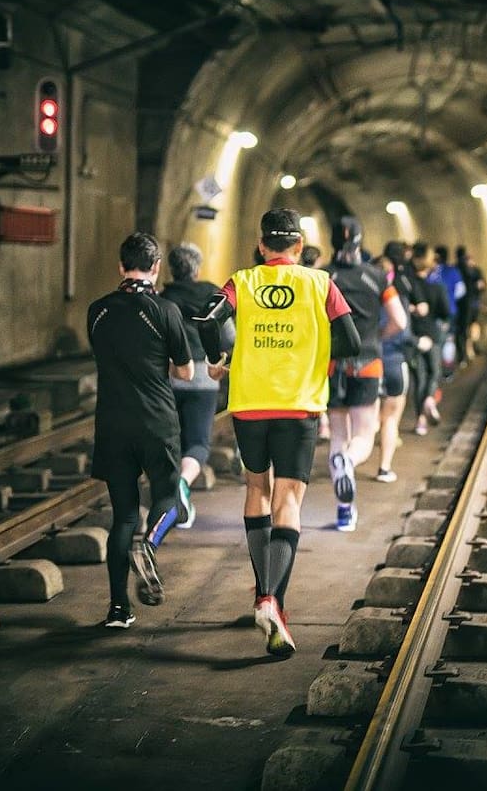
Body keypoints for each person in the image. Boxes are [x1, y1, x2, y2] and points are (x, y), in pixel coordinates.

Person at [195, 208, 361, 657]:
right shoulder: (320, 283)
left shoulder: (242, 281)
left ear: (263, 246)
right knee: (290, 499)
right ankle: (272, 599)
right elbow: (352, 343)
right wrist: (314, 352)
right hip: (299, 404)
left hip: (249, 404)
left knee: (257, 490)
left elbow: (207, 320)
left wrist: (219, 360)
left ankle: (266, 598)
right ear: (300, 247)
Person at [87, 232, 193, 630]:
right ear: (156, 268)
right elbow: (185, 371)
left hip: (112, 424)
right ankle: (149, 546)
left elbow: (108, 358)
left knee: (123, 516)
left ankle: (117, 610)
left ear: (120, 266)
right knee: (171, 501)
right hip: (156, 422)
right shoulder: (165, 310)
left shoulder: (97, 311)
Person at [324, 217, 406, 528]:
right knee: (362, 436)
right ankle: (350, 462)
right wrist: (378, 335)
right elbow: (400, 320)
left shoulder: (323, 277)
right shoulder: (378, 277)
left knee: (338, 436)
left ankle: (344, 510)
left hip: (332, 365)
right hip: (368, 362)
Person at [161, 243, 229, 528]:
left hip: (169, 376)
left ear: (170, 270)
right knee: (198, 442)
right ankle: (184, 484)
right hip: (203, 376)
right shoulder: (211, 294)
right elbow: (229, 335)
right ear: (197, 268)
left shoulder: (162, 298)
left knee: (172, 439)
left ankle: (168, 493)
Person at [374, 249, 411, 482]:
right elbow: (404, 330)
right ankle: (384, 468)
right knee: (390, 417)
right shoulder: (397, 298)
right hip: (394, 362)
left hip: (366, 364)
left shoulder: (362, 299)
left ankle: (348, 457)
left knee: (363, 420)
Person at [409, 243, 450, 436]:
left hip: (415, 337)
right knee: (434, 372)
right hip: (433, 336)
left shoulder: (408, 285)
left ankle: (420, 422)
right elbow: (446, 313)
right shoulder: (437, 288)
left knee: (419, 378)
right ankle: (429, 399)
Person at [429, 244, 466, 373]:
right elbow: (461, 290)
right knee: (449, 339)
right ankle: (447, 368)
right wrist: (451, 299)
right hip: (450, 310)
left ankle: (434, 368)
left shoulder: (431, 271)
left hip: (432, 312)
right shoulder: (453, 271)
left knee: (434, 339)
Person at [455, 245, 486, 362]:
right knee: (465, 328)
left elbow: (483, 286)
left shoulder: (473, 270)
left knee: (468, 328)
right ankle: (467, 351)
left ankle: (468, 350)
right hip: (468, 304)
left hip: (470, 304)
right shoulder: (468, 270)